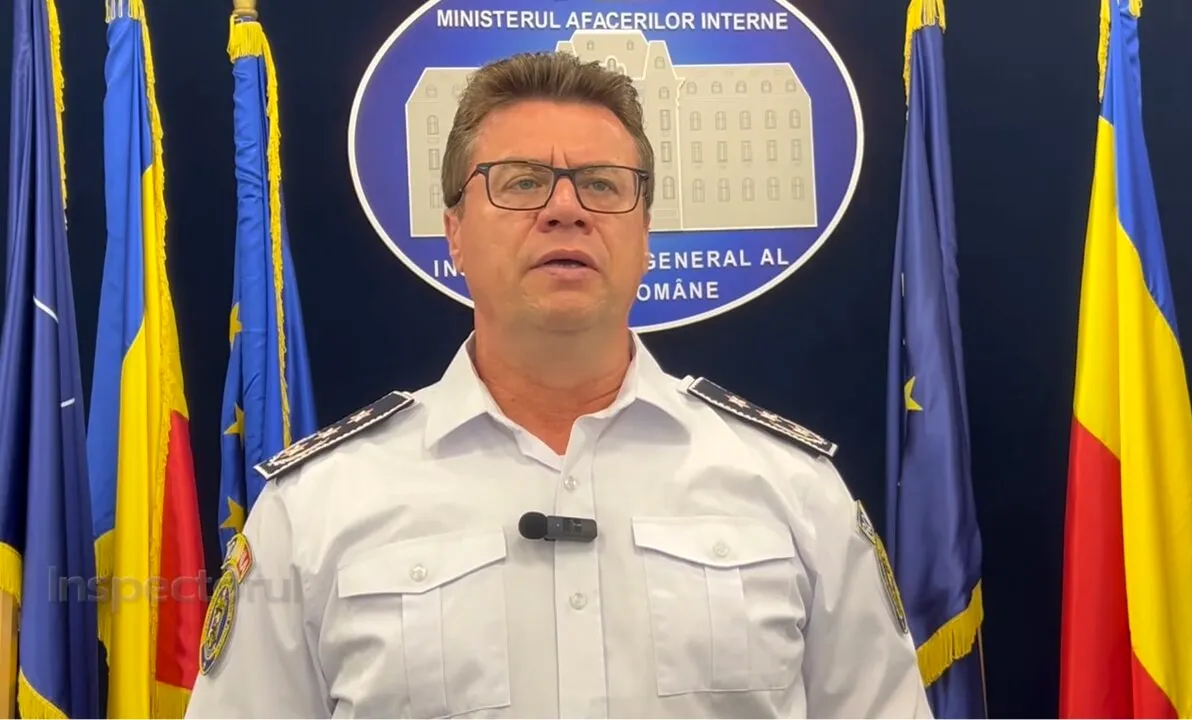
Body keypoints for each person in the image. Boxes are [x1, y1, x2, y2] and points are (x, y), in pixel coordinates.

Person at [184, 50, 932, 719]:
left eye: (602, 185)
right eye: (522, 183)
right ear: (454, 233)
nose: (565, 210)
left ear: (645, 236)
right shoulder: (316, 508)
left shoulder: (793, 491)